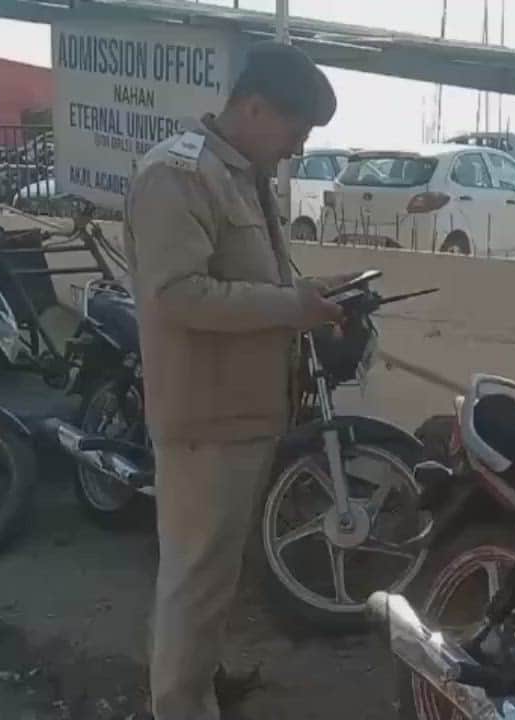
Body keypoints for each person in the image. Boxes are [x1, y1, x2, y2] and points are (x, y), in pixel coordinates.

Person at [123, 42, 352, 720]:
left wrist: (313, 294)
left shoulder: (240, 173)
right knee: (194, 581)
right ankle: (180, 706)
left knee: (211, 578)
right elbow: (177, 295)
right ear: (253, 108)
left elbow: (251, 280)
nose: (297, 148)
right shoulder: (177, 176)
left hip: (242, 414)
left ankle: (199, 683)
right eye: (295, 130)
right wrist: (291, 308)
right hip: (205, 420)